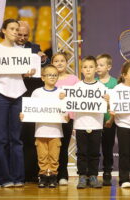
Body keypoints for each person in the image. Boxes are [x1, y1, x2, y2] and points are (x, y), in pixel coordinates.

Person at [0, 18, 35, 188]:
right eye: (12, 29)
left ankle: (18, 177)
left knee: (16, 138)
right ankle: (3, 178)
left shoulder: (22, 51)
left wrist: (29, 72)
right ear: (4, 30)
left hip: (18, 94)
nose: (15, 32)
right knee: (1, 138)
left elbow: (24, 74)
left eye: (17, 29)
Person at [60, 56, 107, 189]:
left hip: (96, 125)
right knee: (81, 153)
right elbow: (68, 102)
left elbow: (107, 105)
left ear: (95, 69)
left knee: (94, 152)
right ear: (81, 70)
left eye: (91, 67)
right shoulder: (77, 86)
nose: (88, 70)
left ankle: (93, 176)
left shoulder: (101, 87)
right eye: (85, 67)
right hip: (80, 124)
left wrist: (108, 100)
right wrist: (64, 97)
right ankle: (81, 176)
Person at [20, 65, 66, 188]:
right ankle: (43, 176)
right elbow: (31, 110)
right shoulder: (37, 93)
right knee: (42, 156)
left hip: (56, 132)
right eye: (49, 75)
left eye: (55, 75)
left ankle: (53, 177)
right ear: (43, 78)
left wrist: (66, 115)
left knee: (54, 157)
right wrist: (24, 115)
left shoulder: (61, 93)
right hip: (40, 132)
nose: (52, 77)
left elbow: (65, 112)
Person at [17, 21, 49, 183]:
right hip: (11, 98)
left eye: (25, 35)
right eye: (19, 35)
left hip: (30, 99)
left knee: (30, 137)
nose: (22, 38)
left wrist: (43, 60)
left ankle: (30, 173)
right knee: (12, 136)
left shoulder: (35, 48)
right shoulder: (4, 50)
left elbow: (46, 69)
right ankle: (12, 173)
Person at [51, 52, 79, 186]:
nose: (60, 63)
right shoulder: (50, 78)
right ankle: (50, 174)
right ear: (52, 63)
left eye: (62, 61)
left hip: (68, 118)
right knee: (52, 147)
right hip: (52, 118)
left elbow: (80, 97)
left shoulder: (74, 79)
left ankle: (63, 175)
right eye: (56, 61)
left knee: (63, 147)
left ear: (67, 63)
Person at [95, 54, 117, 186]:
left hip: (109, 121)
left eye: (101, 65)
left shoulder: (115, 83)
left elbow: (117, 103)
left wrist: (112, 119)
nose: (98, 67)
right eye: (97, 65)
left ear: (109, 67)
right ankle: (92, 173)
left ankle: (107, 172)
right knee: (94, 148)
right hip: (95, 121)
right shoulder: (94, 82)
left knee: (108, 148)